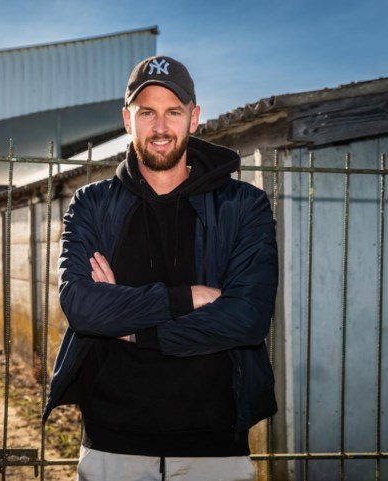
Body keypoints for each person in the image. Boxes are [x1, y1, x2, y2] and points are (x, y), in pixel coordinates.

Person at [42, 56, 279, 481]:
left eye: (173, 112)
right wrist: (188, 298)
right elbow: (81, 307)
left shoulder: (243, 206)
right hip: (113, 440)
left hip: (214, 443)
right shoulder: (93, 205)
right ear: (126, 119)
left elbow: (247, 318)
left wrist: (132, 327)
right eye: (146, 112)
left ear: (194, 117)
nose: (161, 127)